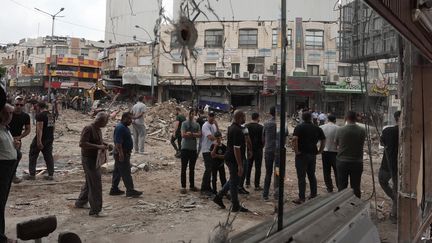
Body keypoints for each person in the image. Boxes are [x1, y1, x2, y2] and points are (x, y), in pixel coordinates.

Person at [213, 110, 249, 212]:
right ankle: (235, 205)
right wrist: (240, 165)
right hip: (233, 159)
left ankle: (219, 197)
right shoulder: (237, 130)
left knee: (233, 180)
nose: (245, 119)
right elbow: (236, 148)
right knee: (234, 182)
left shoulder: (232, 127)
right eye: (244, 117)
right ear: (240, 117)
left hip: (230, 157)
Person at [75, 112, 110, 217]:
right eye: (106, 122)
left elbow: (97, 142)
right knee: (95, 184)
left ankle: (80, 202)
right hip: (89, 159)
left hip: (95, 159)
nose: (106, 124)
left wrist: (105, 145)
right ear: (100, 121)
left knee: (89, 181)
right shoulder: (88, 128)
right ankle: (96, 210)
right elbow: (82, 143)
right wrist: (98, 147)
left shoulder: (98, 129)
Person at [292, 112, 326, 204]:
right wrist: (320, 150)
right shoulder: (317, 128)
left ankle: (301, 198)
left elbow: (294, 139)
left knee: (301, 176)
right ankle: (313, 194)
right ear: (311, 118)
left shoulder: (299, 127)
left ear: (302, 118)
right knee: (311, 175)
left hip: (301, 155)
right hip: (312, 154)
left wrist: (296, 150)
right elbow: (323, 139)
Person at [110, 112, 142, 198]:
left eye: (131, 119)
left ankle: (114, 189)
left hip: (122, 153)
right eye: (129, 119)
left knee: (117, 171)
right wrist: (121, 154)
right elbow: (118, 143)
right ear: (124, 118)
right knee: (126, 172)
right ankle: (130, 190)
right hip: (122, 153)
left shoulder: (124, 127)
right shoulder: (120, 128)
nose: (131, 121)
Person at [0, 103, 19, 243]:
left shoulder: (6, 129)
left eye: (11, 113)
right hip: (2, 169)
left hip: (8, 170)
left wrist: (15, 147)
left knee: (2, 203)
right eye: (6, 113)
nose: (9, 116)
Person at [336, 111, 366, 198]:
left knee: (342, 186)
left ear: (346, 118)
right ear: (356, 118)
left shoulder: (340, 130)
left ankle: (341, 207)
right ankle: (356, 207)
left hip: (342, 161)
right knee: (356, 187)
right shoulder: (362, 130)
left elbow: (336, 143)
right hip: (357, 162)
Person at [379, 111, 400, 221]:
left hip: (388, 164)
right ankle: (394, 214)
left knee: (383, 181)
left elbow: (382, 143)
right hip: (400, 167)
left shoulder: (387, 130)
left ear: (395, 118)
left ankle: (395, 203)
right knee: (398, 189)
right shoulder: (409, 132)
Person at [25, 102, 55, 180]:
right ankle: (51, 174)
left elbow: (39, 129)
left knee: (33, 155)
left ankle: (32, 175)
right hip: (49, 138)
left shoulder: (40, 116)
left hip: (42, 139)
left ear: (38, 107)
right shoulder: (50, 115)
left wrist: (39, 141)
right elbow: (53, 127)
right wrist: (51, 137)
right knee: (48, 156)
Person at [8, 96, 31, 184]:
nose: (18, 106)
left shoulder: (25, 116)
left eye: (21, 105)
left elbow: (28, 129)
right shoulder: (8, 113)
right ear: (14, 104)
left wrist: (20, 137)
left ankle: (13, 176)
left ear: (23, 105)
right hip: (6, 138)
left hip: (17, 140)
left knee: (16, 158)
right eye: (17, 104)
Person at [179, 109, 201, 194]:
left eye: (193, 114)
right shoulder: (184, 123)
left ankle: (192, 186)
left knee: (192, 168)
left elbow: (199, 134)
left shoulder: (197, 124)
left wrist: (191, 134)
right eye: (191, 114)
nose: (192, 115)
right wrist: (192, 134)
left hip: (193, 149)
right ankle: (183, 186)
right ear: (188, 114)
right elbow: (183, 134)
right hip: (185, 148)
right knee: (183, 168)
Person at [319, 114, 339, 193]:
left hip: (325, 152)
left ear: (327, 119)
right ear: (335, 120)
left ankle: (329, 188)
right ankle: (339, 187)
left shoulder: (322, 127)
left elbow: (319, 140)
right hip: (335, 152)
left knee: (326, 171)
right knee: (337, 171)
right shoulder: (339, 128)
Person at [200, 112, 218, 195]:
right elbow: (210, 137)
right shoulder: (205, 126)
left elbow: (218, 134)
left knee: (210, 169)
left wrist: (217, 125)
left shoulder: (213, 125)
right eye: (210, 117)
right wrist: (217, 138)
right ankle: (204, 188)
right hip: (206, 150)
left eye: (212, 117)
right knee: (208, 169)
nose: (211, 118)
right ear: (208, 117)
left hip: (213, 149)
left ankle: (208, 187)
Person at [245, 112, 264, 190]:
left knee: (249, 166)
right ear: (258, 118)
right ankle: (256, 185)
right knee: (258, 167)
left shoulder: (247, 126)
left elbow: (245, 139)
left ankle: (247, 183)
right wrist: (262, 146)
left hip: (249, 149)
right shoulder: (261, 127)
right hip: (258, 149)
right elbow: (263, 139)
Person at [262, 107, 277, 200]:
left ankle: (265, 194)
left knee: (268, 173)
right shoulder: (282, 124)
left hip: (268, 150)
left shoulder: (266, 123)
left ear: (270, 113)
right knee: (278, 172)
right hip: (278, 153)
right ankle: (277, 194)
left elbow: (263, 138)